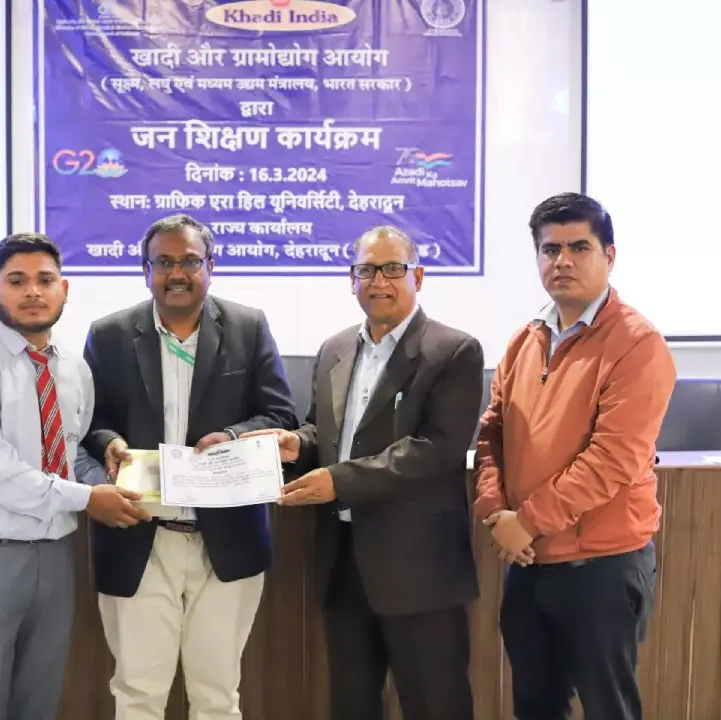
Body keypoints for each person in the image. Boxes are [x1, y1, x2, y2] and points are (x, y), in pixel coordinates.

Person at [244, 226, 483, 720]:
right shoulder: (335, 348)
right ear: (351, 279)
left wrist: (340, 481)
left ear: (417, 276)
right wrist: (297, 443)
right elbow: (323, 429)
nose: (380, 280)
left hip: (419, 567)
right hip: (343, 561)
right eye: (367, 270)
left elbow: (437, 449)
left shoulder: (454, 351)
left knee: (436, 704)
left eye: (393, 268)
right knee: (351, 705)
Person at [82, 214, 298, 719]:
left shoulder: (249, 326)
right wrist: (109, 441)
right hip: (140, 535)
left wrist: (233, 437)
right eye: (164, 262)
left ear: (211, 267)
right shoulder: (109, 335)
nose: (177, 272)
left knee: (217, 697)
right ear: (145, 270)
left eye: (189, 261)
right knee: (137, 694)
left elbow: (280, 415)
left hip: (226, 541)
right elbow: (88, 421)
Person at [0, 233, 147, 720]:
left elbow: (67, 455)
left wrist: (111, 469)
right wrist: (89, 498)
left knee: (38, 701)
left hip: (54, 556)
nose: (32, 292)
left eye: (45, 280)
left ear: (63, 289)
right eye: (17, 281)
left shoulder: (73, 368)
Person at [474, 192, 676, 720]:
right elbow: (491, 432)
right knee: (535, 708)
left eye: (578, 247)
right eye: (549, 249)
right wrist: (495, 511)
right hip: (529, 563)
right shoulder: (525, 339)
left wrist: (528, 521)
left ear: (609, 256)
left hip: (601, 568)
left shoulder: (638, 343)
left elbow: (613, 459)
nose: (561, 260)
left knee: (609, 709)